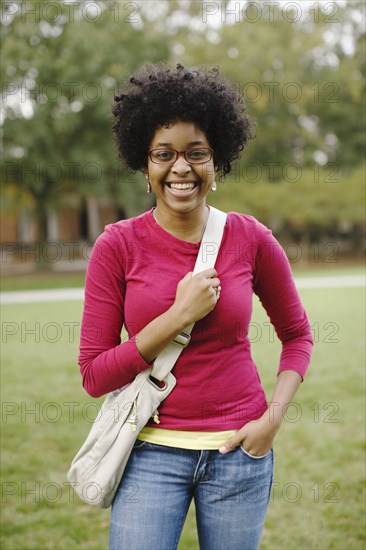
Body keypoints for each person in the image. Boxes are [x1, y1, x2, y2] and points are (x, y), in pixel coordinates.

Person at [78, 63, 313, 550]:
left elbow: (298, 336)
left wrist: (273, 417)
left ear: (216, 161)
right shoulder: (116, 245)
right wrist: (176, 317)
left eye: (196, 154)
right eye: (163, 154)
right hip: (149, 454)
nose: (180, 168)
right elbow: (95, 375)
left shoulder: (250, 238)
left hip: (239, 455)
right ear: (145, 165)